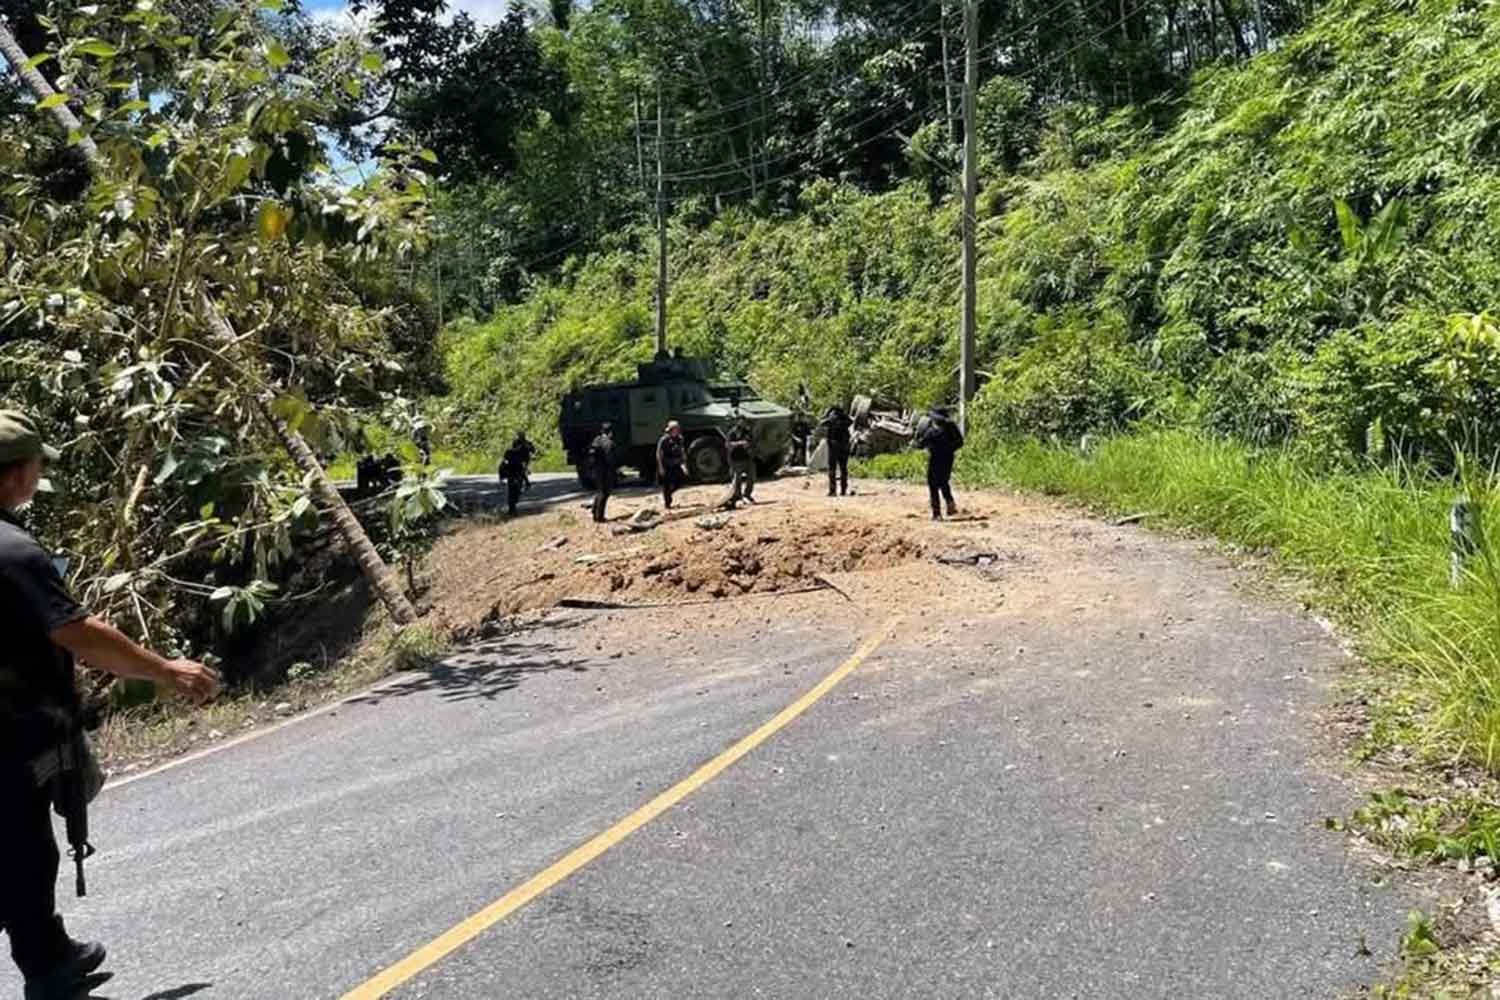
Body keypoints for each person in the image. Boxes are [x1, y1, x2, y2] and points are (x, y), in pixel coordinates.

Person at [0, 410, 219, 1000]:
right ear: (17, 474)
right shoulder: (12, 551)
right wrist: (165, 669)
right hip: (8, 742)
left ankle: (48, 958)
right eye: (36, 467)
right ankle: (46, 966)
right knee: (19, 857)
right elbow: (77, 632)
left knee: (25, 854)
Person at [915, 406, 964, 520]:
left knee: (933, 484)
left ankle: (937, 513)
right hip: (947, 457)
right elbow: (960, 442)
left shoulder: (932, 430)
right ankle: (950, 503)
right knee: (943, 481)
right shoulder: (951, 427)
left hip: (937, 458)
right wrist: (949, 448)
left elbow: (920, 444)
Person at [818, 405, 853, 498]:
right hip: (844, 446)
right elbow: (851, 421)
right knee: (843, 469)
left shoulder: (830, 420)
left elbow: (821, 423)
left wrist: (827, 416)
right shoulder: (845, 421)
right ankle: (843, 490)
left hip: (833, 447)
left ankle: (832, 491)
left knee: (832, 469)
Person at [656, 421, 688, 510]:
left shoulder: (680, 439)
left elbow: (682, 452)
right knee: (666, 485)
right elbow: (659, 454)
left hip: (676, 464)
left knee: (681, 480)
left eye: (677, 429)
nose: (676, 431)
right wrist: (660, 467)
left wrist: (684, 465)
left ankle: (670, 493)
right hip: (666, 465)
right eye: (675, 429)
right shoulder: (664, 440)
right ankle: (667, 503)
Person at [725, 414, 755, 507]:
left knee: (752, 477)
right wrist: (740, 443)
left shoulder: (747, 431)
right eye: (740, 421)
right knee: (737, 479)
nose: (742, 423)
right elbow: (728, 445)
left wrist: (749, 445)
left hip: (747, 458)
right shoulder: (732, 432)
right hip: (736, 459)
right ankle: (738, 496)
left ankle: (747, 495)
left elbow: (751, 442)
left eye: (743, 421)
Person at [589, 424, 616, 523]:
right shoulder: (608, 443)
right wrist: (613, 470)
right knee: (605, 493)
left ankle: (594, 511)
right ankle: (599, 517)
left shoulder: (597, 440)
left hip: (596, 470)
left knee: (599, 491)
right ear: (610, 432)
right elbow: (610, 458)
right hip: (605, 470)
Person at [497, 440, 529, 517]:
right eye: (519, 445)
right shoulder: (509, 452)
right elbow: (503, 464)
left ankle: (513, 506)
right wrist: (502, 476)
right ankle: (512, 509)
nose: (519, 447)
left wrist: (527, 480)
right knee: (512, 492)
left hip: (519, 474)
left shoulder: (520, 453)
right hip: (511, 474)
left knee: (517, 492)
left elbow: (522, 466)